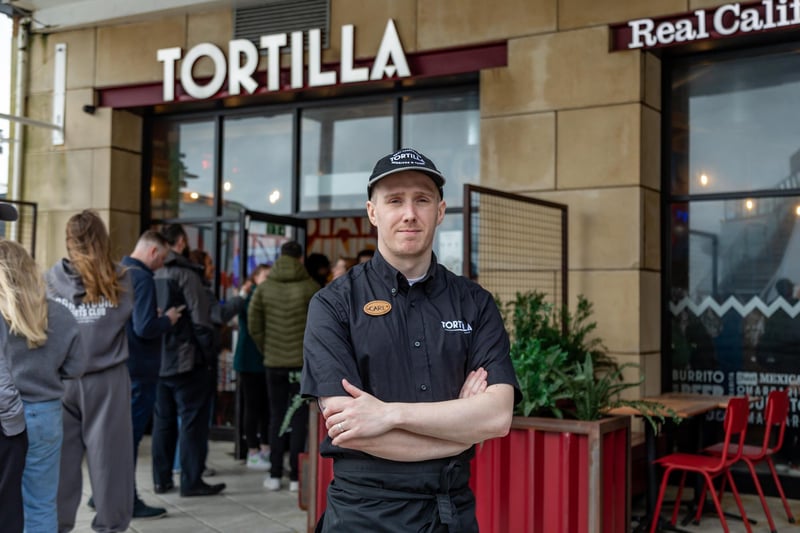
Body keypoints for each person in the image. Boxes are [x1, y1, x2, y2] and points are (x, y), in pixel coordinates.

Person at [301, 148, 520, 532]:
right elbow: (347, 428)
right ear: (373, 212)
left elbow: (497, 417)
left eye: (422, 199)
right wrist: (461, 434)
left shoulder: (475, 303)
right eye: (395, 200)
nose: (409, 213)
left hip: (451, 514)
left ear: (440, 211)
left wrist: (388, 415)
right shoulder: (333, 305)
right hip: (362, 515)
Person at [46, 209, 135, 532]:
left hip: (61, 380)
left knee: (61, 466)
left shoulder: (50, 281)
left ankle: (56, 527)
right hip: (107, 378)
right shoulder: (121, 278)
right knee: (111, 464)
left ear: (68, 241)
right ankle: (110, 528)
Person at [1, 240, 85, 533]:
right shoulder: (60, 313)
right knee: (41, 503)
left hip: (5, 418)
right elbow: (76, 368)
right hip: (46, 413)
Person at [152, 225, 225, 497]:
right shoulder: (186, 274)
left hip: (158, 360)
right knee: (192, 423)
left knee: (163, 422)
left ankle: (161, 480)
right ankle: (191, 481)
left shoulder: (151, 272)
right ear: (181, 242)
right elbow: (201, 322)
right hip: (187, 360)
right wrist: (208, 355)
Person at [120, 230, 182, 518]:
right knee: (129, 439)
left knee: (117, 437)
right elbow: (145, 327)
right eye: (163, 257)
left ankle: (104, 494)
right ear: (154, 252)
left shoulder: (118, 271)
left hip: (121, 367)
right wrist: (166, 319)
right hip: (141, 371)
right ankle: (128, 500)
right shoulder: (142, 277)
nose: (162, 265)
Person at [249, 240, 319, 492]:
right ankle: (296, 477)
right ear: (301, 259)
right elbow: (320, 327)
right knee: (300, 418)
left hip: (274, 364)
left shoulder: (265, 288)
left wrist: (266, 348)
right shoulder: (310, 287)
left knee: (277, 416)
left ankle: (275, 473)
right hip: (301, 365)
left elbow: (253, 324)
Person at [233, 263, 272, 470]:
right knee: (252, 407)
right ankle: (253, 450)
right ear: (255, 278)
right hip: (250, 360)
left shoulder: (265, 295)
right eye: (265, 275)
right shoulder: (249, 297)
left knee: (264, 407)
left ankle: (264, 447)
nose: (268, 279)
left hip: (264, 360)